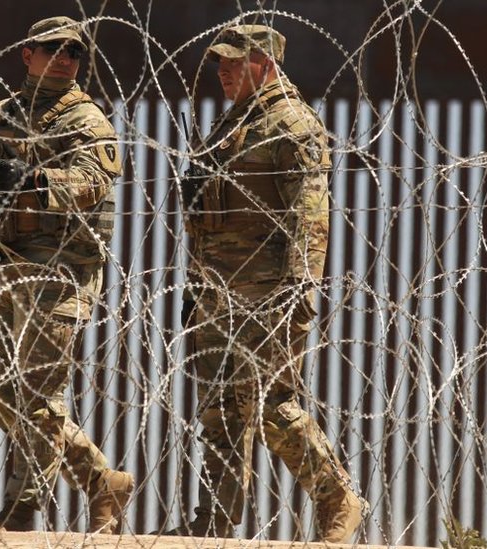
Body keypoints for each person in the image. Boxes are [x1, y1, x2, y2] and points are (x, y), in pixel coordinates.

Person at [169, 24, 366, 543]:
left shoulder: (291, 124)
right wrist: (194, 283)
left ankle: (338, 498)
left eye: (236, 61)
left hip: (268, 289)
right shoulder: (232, 125)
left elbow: (311, 212)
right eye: (220, 62)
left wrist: (301, 285)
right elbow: (208, 215)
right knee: (219, 410)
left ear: (268, 65)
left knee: (272, 406)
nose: (224, 71)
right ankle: (214, 517)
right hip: (218, 288)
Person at [0, 16, 133, 534]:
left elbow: (93, 182)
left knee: (40, 392)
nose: (66, 58)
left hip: (59, 270)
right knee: (4, 388)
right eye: (54, 48)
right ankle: (100, 481)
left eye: (75, 52)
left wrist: (30, 180)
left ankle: (23, 505)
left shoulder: (86, 121)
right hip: (2, 263)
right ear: (28, 53)